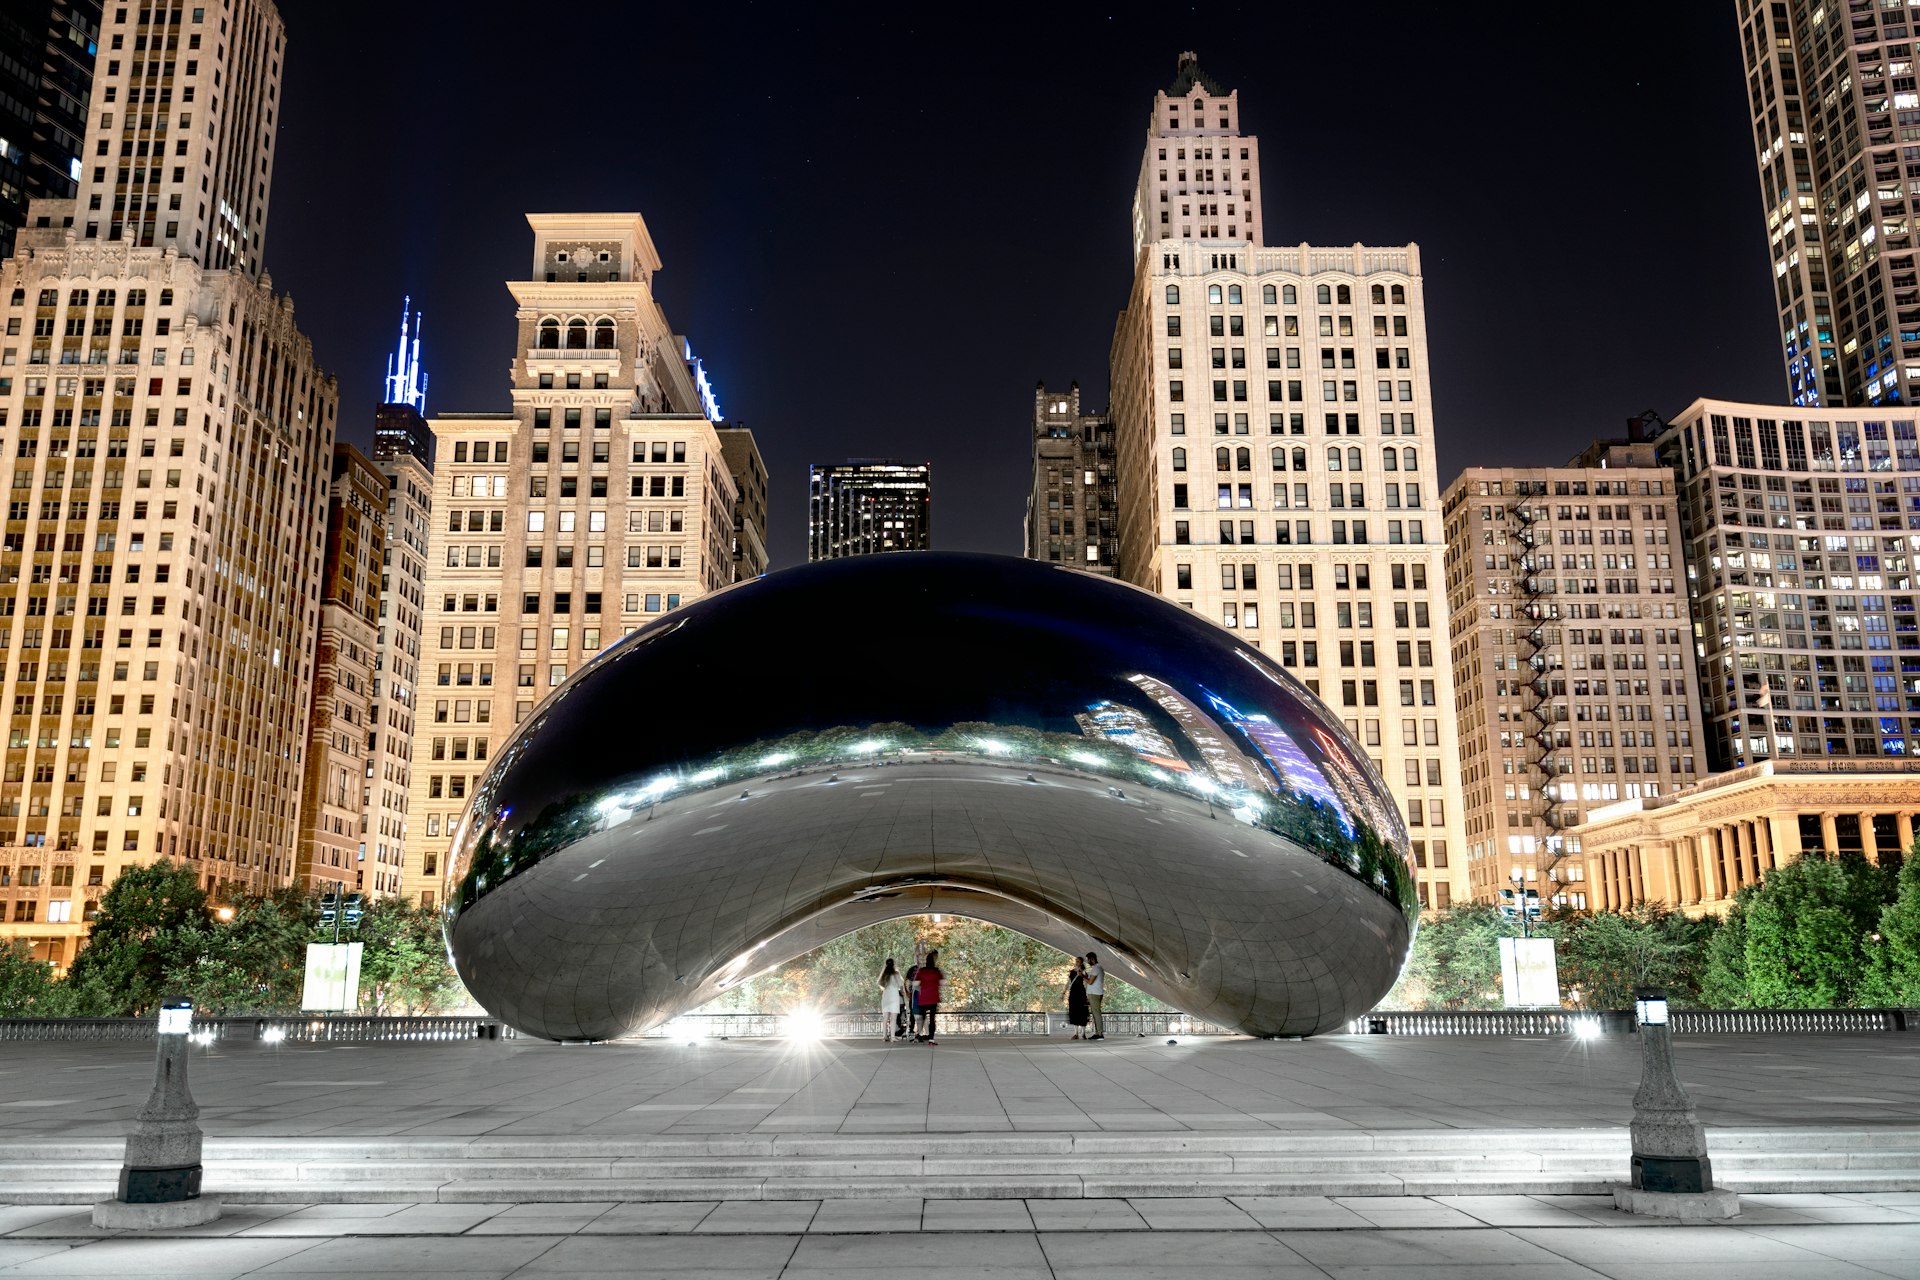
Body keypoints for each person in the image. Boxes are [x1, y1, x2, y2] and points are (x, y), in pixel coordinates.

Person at [916, 949, 944, 1044]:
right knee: (932, 1019)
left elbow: (916, 983)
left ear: (926, 961)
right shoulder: (936, 971)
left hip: (923, 997)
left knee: (922, 1017)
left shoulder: (921, 971)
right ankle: (931, 1039)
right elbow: (943, 982)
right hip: (933, 997)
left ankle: (919, 1035)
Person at [1064, 956, 1089, 1040]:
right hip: (1073, 994)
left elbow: (1086, 984)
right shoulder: (1072, 972)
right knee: (1074, 1012)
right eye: (1076, 961)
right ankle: (1076, 1033)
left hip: (1081, 994)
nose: (1076, 962)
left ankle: (1083, 1033)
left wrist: (1087, 996)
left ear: (1081, 963)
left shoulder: (1084, 972)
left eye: (1078, 961)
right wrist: (1064, 992)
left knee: (1082, 1012)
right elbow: (1068, 983)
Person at [878, 959, 903, 1042]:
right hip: (894, 996)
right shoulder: (896, 974)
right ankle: (892, 1037)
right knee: (893, 1018)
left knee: (885, 1018)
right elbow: (900, 984)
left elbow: (880, 983)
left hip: (886, 996)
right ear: (893, 964)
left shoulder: (884, 975)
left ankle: (884, 1036)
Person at [1084, 951, 1106, 1040]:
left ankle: (1100, 1033)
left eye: (1088, 959)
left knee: (1096, 1013)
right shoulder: (1097, 968)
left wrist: (1082, 976)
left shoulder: (1097, 968)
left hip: (1095, 994)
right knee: (1095, 1013)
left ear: (1092, 959)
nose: (1087, 961)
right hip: (1095, 993)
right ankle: (1098, 1032)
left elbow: (1090, 981)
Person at [902, 965, 920, 1043]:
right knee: (915, 1016)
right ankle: (915, 1032)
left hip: (913, 998)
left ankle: (913, 1032)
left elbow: (907, 989)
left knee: (913, 1016)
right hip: (914, 998)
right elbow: (908, 990)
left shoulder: (908, 980)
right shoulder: (911, 981)